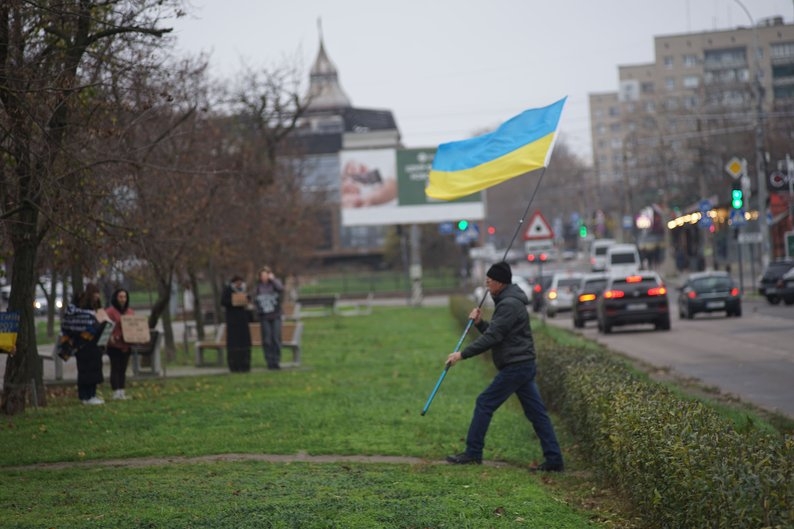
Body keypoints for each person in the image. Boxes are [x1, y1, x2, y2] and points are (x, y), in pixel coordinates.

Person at [445, 262, 565, 472]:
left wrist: (462, 355)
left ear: (499, 283)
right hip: (521, 364)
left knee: (484, 402)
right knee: (537, 414)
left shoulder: (509, 304)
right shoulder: (509, 301)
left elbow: (494, 337)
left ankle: (473, 453)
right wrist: (480, 323)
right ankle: (554, 460)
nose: (486, 285)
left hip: (516, 366)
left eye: (489, 281)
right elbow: (498, 332)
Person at [60, 283, 110, 405]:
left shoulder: (95, 309)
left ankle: (91, 394)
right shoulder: (79, 310)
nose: (98, 297)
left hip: (94, 344)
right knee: (85, 371)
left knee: (94, 370)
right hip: (84, 345)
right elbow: (76, 324)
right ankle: (86, 396)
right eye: (96, 294)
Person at [105, 288, 134, 400]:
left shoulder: (130, 312)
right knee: (115, 367)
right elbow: (106, 327)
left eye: (124, 297)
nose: (122, 299)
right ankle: (115, 391)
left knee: (123, 368)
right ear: (116, 298)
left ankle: (122, 391)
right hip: (114, 345)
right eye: (120, 297)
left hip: (126, 344)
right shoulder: (110, 312)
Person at [254, 266, 284, 370]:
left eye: (266, 275)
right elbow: (255, 300)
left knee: (276, 338)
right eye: (262, 275)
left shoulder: (274, 284)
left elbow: (280, 288)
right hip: (264, 317)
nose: (264, 277)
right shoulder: (258, 287)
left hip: (275, 315)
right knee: (267, 340)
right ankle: (269, 361)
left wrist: (273, 279)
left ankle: (276, 361)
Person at [220, 275, 252, 373]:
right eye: (237, 282)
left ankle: (245, 365)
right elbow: (223, 302)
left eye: (240, 282)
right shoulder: (228, 290)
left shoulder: (244, 290)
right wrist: (233, 301)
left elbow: (248, 303)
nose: (239, 284)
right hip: (233, 321)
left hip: (243, 321)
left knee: (244, 344)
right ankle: (234, 365)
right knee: (234, 345)